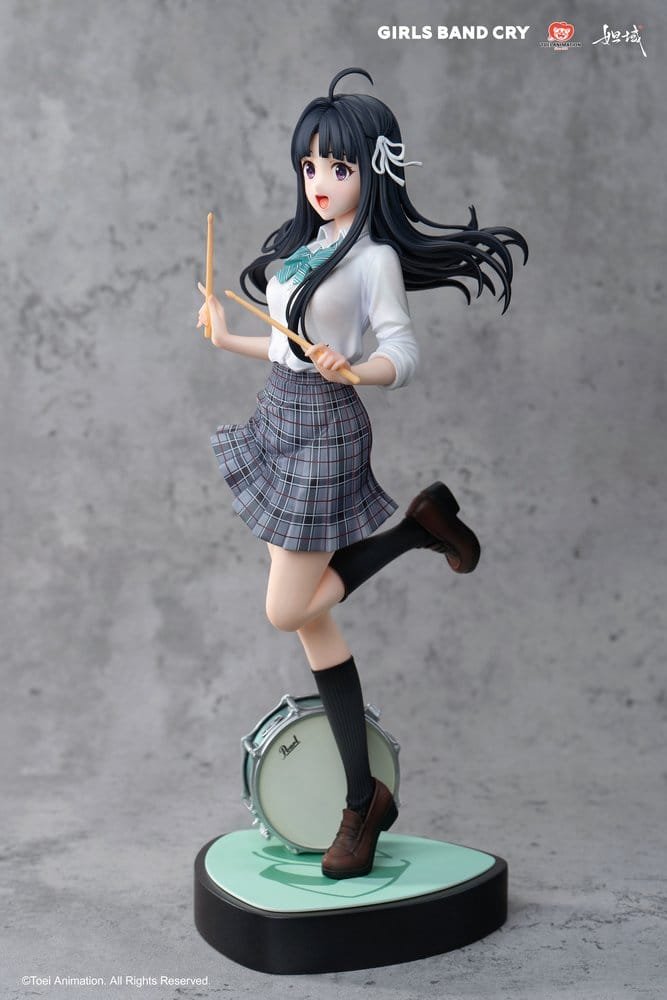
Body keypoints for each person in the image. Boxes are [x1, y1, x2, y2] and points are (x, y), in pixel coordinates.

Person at [197, 68, 527, 879]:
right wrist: (225, 336)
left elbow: (401, 352)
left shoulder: (373, 258)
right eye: (309, 164)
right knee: (314, 623)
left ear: (371, 170)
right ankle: (361, 800)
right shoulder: (301, 247)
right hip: (278, 415)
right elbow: (285, 347)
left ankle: (415, 532)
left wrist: (358, 369)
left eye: (338, 166)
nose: (320, 180)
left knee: (287, 608)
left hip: (324, 430)